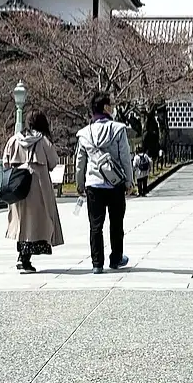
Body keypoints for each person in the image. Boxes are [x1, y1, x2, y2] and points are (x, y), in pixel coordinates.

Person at [74, 91, 134, 273]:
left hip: (93, 184)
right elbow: (125, 156)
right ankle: (116, 259)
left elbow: (80, 161)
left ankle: (97, 264)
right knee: (116, 224)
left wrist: (79, 184)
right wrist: (129, 181)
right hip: (115, 183)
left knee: (95, 225)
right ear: (106, 107)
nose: (114, 108)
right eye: (112, 105)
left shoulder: (84, 133)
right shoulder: (118, 129)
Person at [1, 110, 65, 272]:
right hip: (38, 188)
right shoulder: (42, 141)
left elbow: (5, 162)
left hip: (17, 187)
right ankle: (25, 258)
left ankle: (22, 255)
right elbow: (53, 162)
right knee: (36, 222)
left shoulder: (14, 139)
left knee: (21, 221)